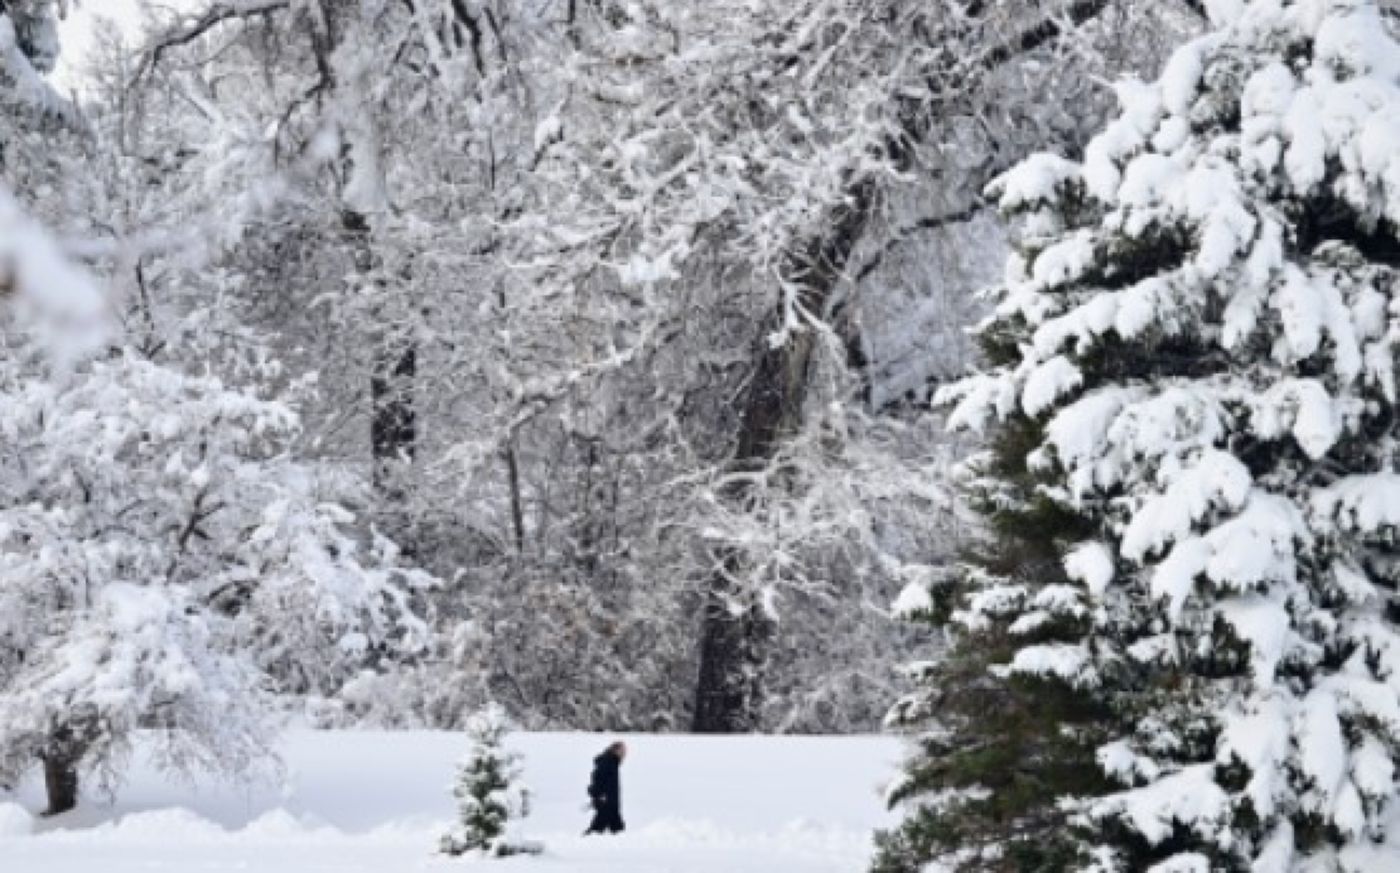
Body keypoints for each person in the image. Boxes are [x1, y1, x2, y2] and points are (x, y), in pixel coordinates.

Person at [584, 741, 626, 835]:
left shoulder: (613, 763)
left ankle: (621, 846)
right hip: (606, 802)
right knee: (597, 828)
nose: (624, 754)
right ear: (615, 750)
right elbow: (597, 778)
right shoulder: (607, 762)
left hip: (612, 803)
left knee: (618, 829)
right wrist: (598, 795)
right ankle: (580, 844)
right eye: (622, 750)